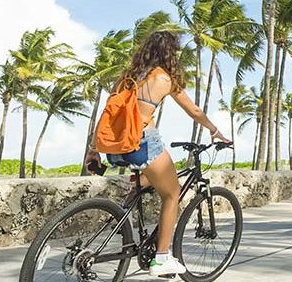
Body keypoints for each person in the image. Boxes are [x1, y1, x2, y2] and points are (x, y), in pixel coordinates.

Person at [84, 30, 230, 278]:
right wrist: (214, 130)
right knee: (172, 193)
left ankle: (128, 206)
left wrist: (94, 149)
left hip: (116, 147)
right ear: (169, 53)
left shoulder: (126, 77)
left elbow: (108, 113)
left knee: (152, 176)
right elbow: (194, 110)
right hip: (142, 143)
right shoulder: (164, 78)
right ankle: (162, 259)